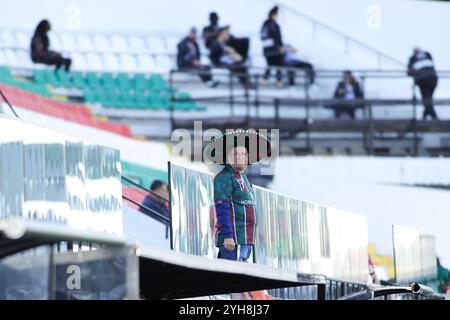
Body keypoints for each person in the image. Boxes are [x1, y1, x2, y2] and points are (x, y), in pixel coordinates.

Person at [203, 129, 272, 262]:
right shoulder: (224, 178)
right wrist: (228, 236)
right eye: (235, 154)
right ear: (228, 158)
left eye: (243, 154)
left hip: (245, 240)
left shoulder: (243, 177)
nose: (240, 157)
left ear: (248, 158)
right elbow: (221, 209)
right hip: (233, 241)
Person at [261, 6, 315, 86]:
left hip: (268, 50)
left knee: (272, 65)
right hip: (274, 50)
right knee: (277, 65)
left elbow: (265, 39)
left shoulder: (265, 24)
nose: (277, 17)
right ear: (273, 14)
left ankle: (267, 81)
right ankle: (277, 82)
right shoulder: (272, 25)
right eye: (277, 15)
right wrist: (279, 48)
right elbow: (274, 39)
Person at [407, 47, 439, 120]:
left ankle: (431, 116)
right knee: (428, 97)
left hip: (423, 80)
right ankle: (428, 115)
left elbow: (409, 72)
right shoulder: (427, 54)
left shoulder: (412, 58)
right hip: (433, 78)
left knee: (426, 98)